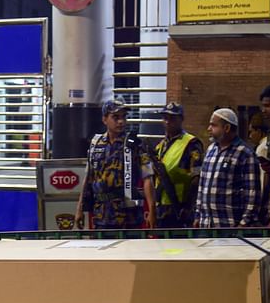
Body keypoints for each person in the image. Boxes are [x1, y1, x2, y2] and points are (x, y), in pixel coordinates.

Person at [76, 97, 156, 230]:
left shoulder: (134, 144)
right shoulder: (96, 143)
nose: (121, 122)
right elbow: (88, 177)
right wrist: (79, 208)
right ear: (105, 119)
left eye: (124, 117)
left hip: (127, 216)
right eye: (116, 117)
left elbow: (147, 178)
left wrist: (152, 210)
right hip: (101, 214)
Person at [194, 108, 261, 228]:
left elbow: (252, 193)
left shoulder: (245, 153)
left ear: (227, 128)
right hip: (207, 224)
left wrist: (244, 223)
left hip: (230, 225)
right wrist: (198, 215)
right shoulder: (210, 150)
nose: (209, 129)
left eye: (213, 125)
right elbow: (202, 186)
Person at [152, 102, 203, 228]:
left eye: (172, 118)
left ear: (181, 119)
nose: (168, 122)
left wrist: (188, 207)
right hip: (162, 207)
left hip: (180, 208)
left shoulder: (191, 143)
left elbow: (196, 179)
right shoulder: (160, 145)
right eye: (165, 118)